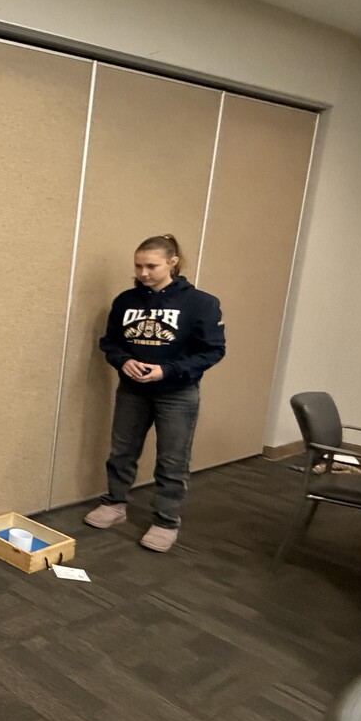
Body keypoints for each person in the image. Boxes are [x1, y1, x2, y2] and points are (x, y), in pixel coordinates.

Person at [83, 234, 226, 552]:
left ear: (172, 263)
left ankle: (166, 521)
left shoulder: (201, 303)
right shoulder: (125, 301)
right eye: (138, 266)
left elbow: (213, 351)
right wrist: (123, 360)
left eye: (151, 266)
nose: (143, 273)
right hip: (132, 391)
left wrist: (168, 370)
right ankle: (115, 503)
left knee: (172, 460)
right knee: (122, 452)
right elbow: (110, 342)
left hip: (177, 393)